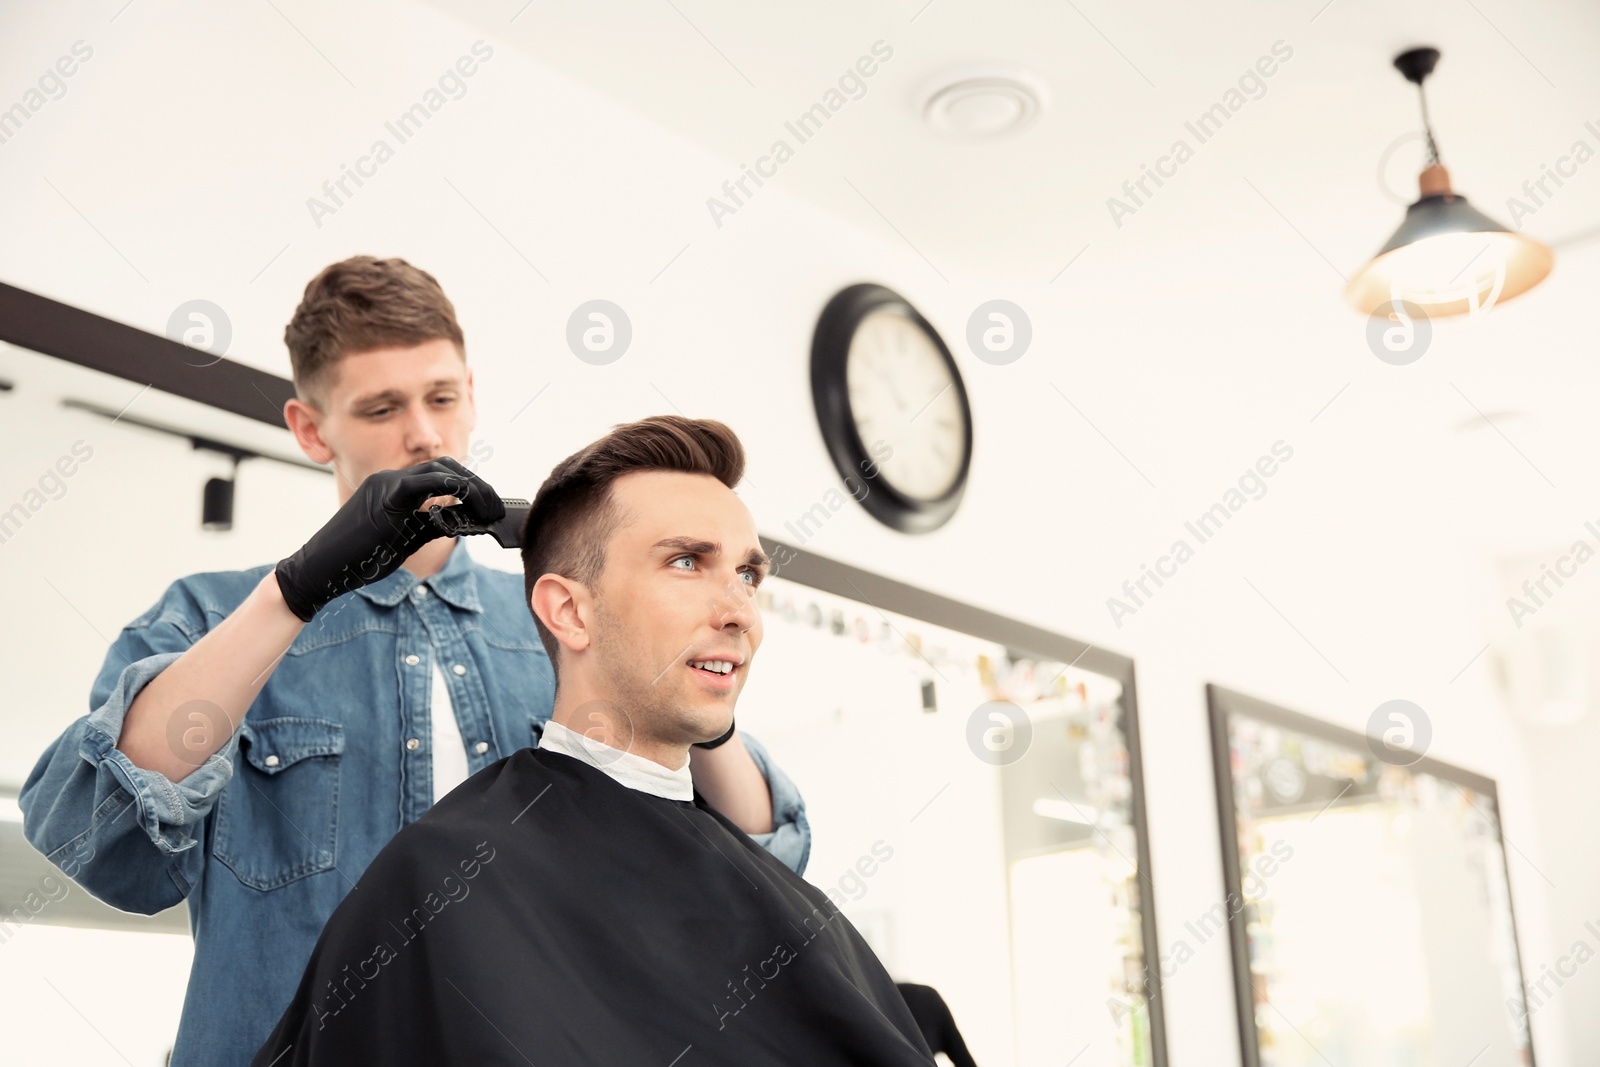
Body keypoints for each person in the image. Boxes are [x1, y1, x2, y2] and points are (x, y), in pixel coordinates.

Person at [19, 258, 809, 1067]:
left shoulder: (554, 619)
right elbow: (98, 835)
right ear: (311, 428)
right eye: (381, 407)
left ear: (471, 391)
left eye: (441, 398)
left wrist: (679, 652)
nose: (424, 434)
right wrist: (294, 592)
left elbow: (759, 857)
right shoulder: (216, 616)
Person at [251, 416, 934, 1066]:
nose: (739, 614)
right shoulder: (438, 883)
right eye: (688, 562)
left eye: (747, 575)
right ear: (570, 610)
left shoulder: (799, 914)